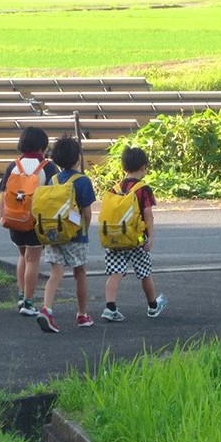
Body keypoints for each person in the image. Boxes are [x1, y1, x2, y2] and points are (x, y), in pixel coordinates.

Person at [36, 136, 96, 333]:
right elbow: (87, 213)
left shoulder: (53, 179)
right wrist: (84, 229)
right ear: (78, 157)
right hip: (75, 234)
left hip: (53, 232)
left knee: (55, 273)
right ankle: (82, 314)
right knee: (80, 273)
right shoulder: (83, 181)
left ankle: (46, 309)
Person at [102, 146, 168, 322]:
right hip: (137, 239)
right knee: (145, 273)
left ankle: (110, 307)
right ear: (143, 167)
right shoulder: (143, 189)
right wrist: (151, 236)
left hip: (115, 237)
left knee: (115, 273)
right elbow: (148, 214)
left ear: (124, 167)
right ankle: (153, 306)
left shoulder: (114, 188)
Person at [0, 126, 57, 317]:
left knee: (23, 256)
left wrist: (2, 215)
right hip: (34, 220)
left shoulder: (13, 165)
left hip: (13, 218)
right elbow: (54, 195)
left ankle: (22, 295)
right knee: (33, 259)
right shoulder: (47, 167)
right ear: (42, 146)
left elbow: (3, 193)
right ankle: (29, 302)